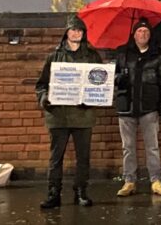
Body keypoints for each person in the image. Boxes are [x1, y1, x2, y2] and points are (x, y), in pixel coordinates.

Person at [35, 15, 104, 210]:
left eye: (80, 30)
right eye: (73, 29)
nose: (76, 33)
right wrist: (44, 98)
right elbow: (41, 85)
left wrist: (94, 96)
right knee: (56, 157)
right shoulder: (54, 57)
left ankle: (81, 191)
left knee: (83, 157)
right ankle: (53, 193)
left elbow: (99, 83)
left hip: (83, 115)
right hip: (58, 115)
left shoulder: (92, 56)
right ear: (66, 32)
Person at [115, 17, 161, 197]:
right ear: (134, 35)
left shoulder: (158, 56)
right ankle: (129, 181)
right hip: (126, 107)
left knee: (152, 147)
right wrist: (120, 79)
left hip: (149, 107)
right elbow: (111, 78)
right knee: (128, 147)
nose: (143, 34)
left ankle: (156, 181)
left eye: (146, 32)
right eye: (140, 31)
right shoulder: (123, 54)